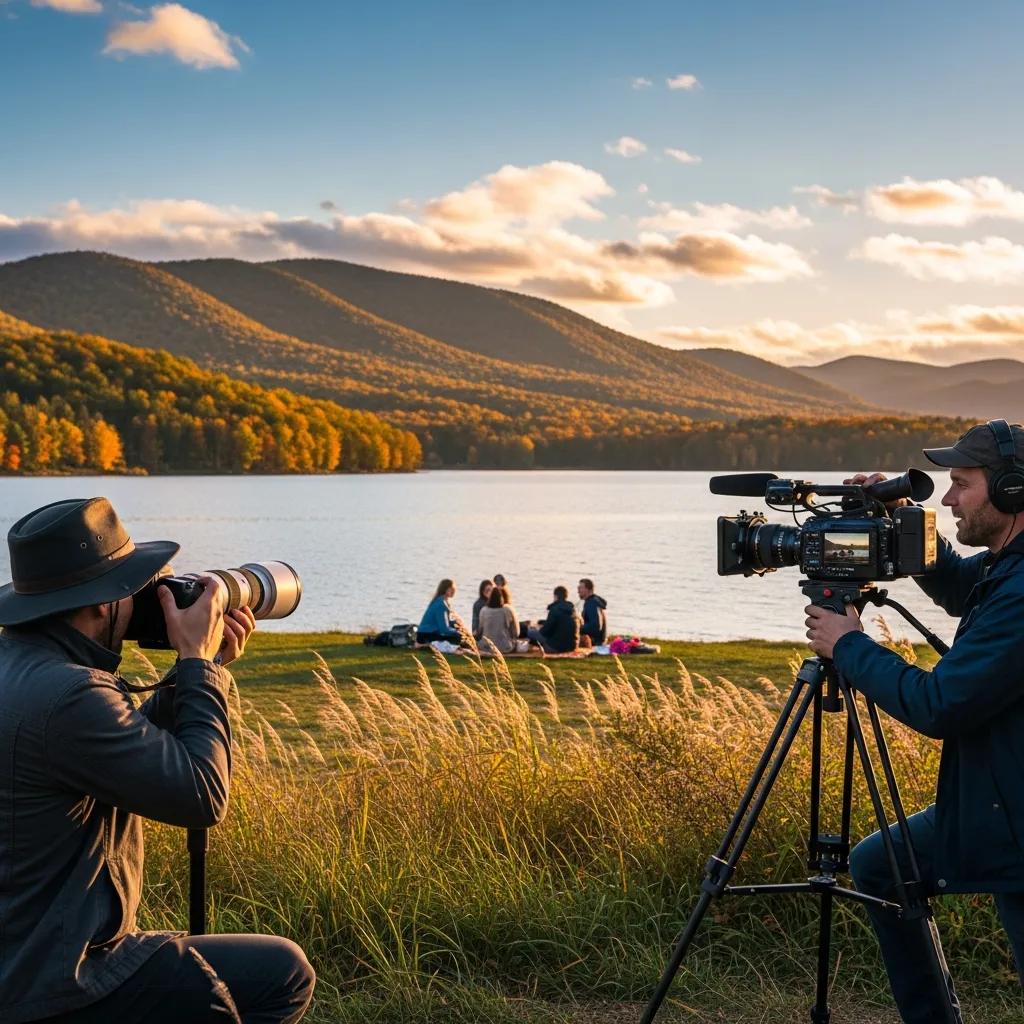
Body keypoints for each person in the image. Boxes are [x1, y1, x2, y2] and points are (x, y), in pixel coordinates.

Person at [0, 497, 315, 1024]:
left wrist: (197, 672)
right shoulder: (72, 695)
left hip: (23, 955)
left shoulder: (27, 669)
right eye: (129, 586)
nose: (139, 597)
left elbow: (116, 746)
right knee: (282, 974)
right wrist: (196, 663)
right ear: (101, 604)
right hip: (61, 980)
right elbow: (200, 795)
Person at [804, 420, 1024, 1024]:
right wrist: (900, 519)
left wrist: (849, 646)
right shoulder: (1009, 565)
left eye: (961, 484)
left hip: (1017, 816)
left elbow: (940, 704)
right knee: (881, 864)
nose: (947, 499)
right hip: (999, 797)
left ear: (1011, 490)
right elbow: (963, 585)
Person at [528, 585, 580, 654]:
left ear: (555, 596)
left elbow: (545, 632)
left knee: (530, 632)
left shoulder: (555, 609)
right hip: (572, 646)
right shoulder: (574, 610)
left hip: (555, 647)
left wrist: (537, 628)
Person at [417, 578, 465, 645]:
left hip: (424, 633)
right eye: (451, 589)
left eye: (454, 589)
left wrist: (457, 624)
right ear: (445, 589)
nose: (454, 591)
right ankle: (426, 645)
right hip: (426, 635)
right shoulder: (441, 604)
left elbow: (445, 623)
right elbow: (444, 629)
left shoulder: (439, 600)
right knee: (458, 636)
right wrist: (458, 632)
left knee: (457, 630)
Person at [477, 584, 520, 655]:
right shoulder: (508, 609)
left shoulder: (483, 610)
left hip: (486, 647)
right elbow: (516, 633)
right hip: (505, 647)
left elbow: (480, 631)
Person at [578, 578, 607, 645]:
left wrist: (577, 628)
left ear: (588, 590)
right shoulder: (594, 601)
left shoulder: (592, 603)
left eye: (580, 588)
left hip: (595, 641)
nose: (578, 591)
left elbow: (595, 626)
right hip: (598, 640)